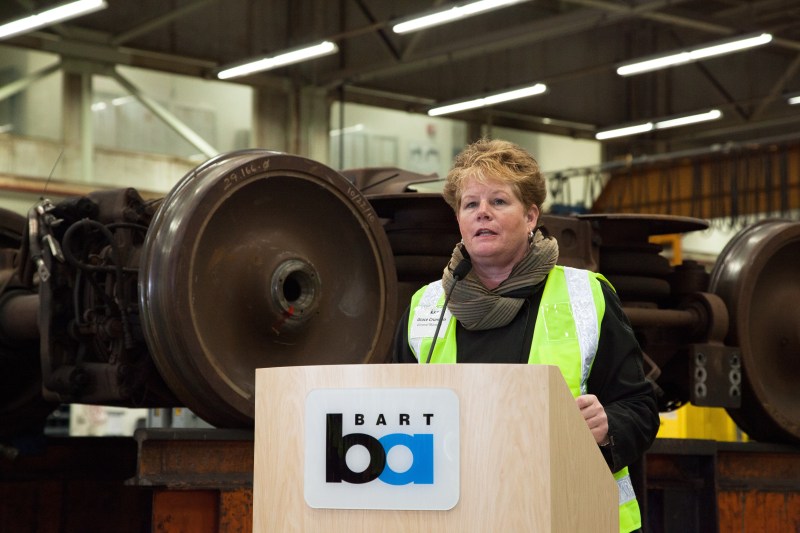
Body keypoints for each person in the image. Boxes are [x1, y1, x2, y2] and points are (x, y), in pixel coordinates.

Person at [392, 138, 659, 533]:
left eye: (499, 202)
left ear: (531, 216)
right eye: (470, 204)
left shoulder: (586, 295)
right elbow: (391, 414)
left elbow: (639, 406)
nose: (483, 213)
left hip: (570, 517)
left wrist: (609, 427)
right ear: (459, 221)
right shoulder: (426, 308)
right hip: (457, 517)